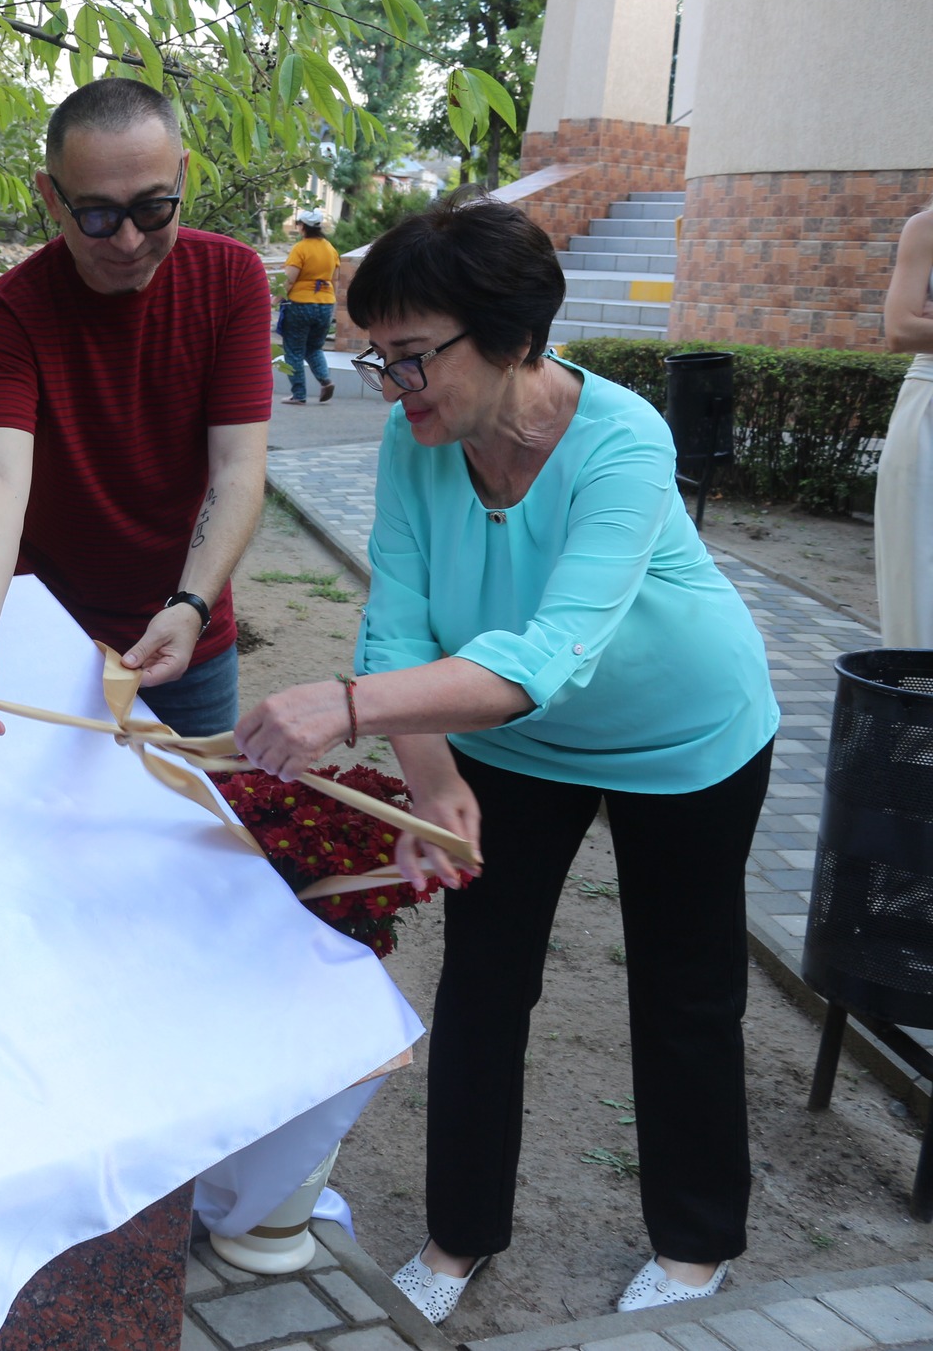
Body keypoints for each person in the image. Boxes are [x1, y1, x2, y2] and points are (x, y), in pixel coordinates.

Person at [233, 193, 779, 1323]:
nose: (394, 386)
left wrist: (343, 707)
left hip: (685, 739)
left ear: (516, 337)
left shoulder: (620, 440)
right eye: (378, 360)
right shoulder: (412, 440)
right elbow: (398, 630)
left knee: (685, 991)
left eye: (413, 357)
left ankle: (692, 1245)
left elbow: (547, 655)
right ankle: (455, 1236)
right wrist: (432, 789)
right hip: (512, 743)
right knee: (481, 983)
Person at [0, 77, 272, 740]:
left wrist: (192, 603)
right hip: (45, 633)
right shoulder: (12, 314)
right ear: (51, 196)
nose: (130, 241)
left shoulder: (232, 279)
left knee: (187, 830)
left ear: (183, 177)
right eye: (98, 215)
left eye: (153, 207)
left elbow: (237, 467)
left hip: (186, 638)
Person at [877, 198, 933, 646]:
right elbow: (900, 329)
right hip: (928, 414)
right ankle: (918, 706)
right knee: (918, 577)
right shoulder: (927, 227)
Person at [279, 209, 339, 405]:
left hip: (301, 303)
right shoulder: (330, 249)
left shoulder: (301, 248)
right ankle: (325, 380)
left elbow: (289, 279)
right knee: (314, 348)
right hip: (325, 304)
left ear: (302, 226)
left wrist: (275, 298)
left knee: (294, 350)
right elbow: (335, 280)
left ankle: (299, 394)